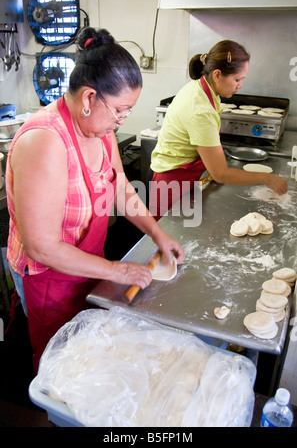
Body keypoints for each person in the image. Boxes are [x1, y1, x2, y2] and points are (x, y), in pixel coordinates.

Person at [6, 27, 184, 372]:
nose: (121, 120)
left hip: (88, 265)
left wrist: (156, 233)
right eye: (120, 110)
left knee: (88, 357)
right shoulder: (45, 142)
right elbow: (42, 246)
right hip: (49, 280)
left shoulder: (98, 131)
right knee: (61, 366)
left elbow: (120, 189)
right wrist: (118, 270)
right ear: (89, 98)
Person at [149, 40, 288, 219]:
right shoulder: (200, 109)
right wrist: (266, 178)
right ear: (217, 75)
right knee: (164, 242)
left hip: (183, 179)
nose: (241, 85)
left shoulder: (203, 88)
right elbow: (220, 174)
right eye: (237, 79)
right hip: (171, 185)